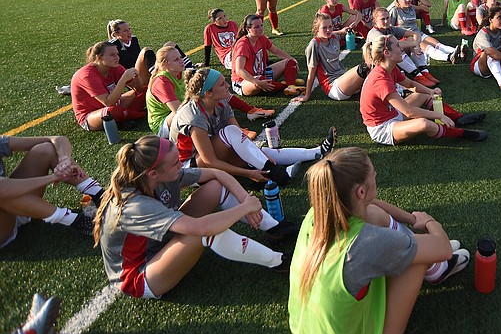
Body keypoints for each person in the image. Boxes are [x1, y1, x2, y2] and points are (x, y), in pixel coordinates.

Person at [289, 147, 471, 334]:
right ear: (360, 191)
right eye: (373, 172)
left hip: (307, 330)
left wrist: (413, 219)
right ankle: (436, 270)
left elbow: (372, 204)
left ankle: (433, 268)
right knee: (418, 259)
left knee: (375, 215)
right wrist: (429, 221)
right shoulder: (366, 243)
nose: (376, 174)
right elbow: (444, 248)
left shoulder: (319, 212)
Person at [94, 136, 295, 300]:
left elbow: (217, 174)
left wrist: (245, 198)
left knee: (215, 187)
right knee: (201, 233)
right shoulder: (134, 205)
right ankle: (279, 261)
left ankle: (275, 228)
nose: (181, 166)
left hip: (161, 242)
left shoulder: (158, 176)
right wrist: (244, 208)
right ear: (153, 173)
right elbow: (201, 228)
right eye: (175, 164)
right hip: (139, 276)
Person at [169, 67, 336, 184]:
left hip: (208, 157)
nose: (227, 85)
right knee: (233, 135)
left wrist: (260, 158)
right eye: (222, 84)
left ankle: (317, 152)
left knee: (257, 152)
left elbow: (240, 137)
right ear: (208, 93)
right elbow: (210, 161)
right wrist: (249, 172)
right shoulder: (193, 115)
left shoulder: (220, 102)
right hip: (187, 169)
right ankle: (274, 172)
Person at [360, 35, 487, 145]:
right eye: (398, 46)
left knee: (423, 95)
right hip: (383, 128)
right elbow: (409, 112)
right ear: (387, 53)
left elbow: (409, 83)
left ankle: (458, 118)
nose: (402, 48)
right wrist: (439, 115)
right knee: (424, 124)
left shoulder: (390, 67)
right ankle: (462, 133)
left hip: (392, 113)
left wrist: (430, 92)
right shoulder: (380, 80)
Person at [1, 135, 102, 248]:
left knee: (45, 149)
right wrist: (53, 177)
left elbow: (58, 139)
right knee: (4, 191)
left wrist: (65, 163)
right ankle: (80, 222)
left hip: (14, 204)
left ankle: (100, 195)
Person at [294, 13, 370, 103]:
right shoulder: (314, 45)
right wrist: (307, 95)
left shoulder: (333, 37)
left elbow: (336, 33)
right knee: (363, 69)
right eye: (324, 28)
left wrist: (343, 31)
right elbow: (311, 72)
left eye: (330, 27)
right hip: (333, 87)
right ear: (316, 29)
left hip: (344, 79)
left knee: (373, 70)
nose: (328, 30)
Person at [70, 41, 147, 131]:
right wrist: (123, 80)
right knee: (111, 112)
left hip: (116, 103)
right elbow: (108, 103)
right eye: (112, 55)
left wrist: (136, 76)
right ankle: (141, 114)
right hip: (91, 115)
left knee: (148, 90)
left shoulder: (115, 67)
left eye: (117, 54)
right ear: (99, 57)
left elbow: (139, 89)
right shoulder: (87, 75)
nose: (117, 57)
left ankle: (125, 116)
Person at [389, 0, 470, 70]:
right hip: (408, 38)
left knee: (439, 45)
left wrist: (418, 1)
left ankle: (460, 53)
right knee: (429, 48)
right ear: (398, 1)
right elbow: (391, 27)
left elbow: (427, 9)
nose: (408, 0)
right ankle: (449, 57)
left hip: (419, 34)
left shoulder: (411, 8)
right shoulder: (395, 10)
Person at [231, 14, 303, 97]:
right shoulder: (243, 44)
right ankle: (286, 85)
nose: (261, 28)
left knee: (289, 61)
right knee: (258, 83)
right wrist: (257, 82)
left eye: (261, 25)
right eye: (257, 27)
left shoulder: (261, 37)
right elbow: (239, 70)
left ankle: (291, 86)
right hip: (244, 81)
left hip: (262, 73)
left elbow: (276, 51)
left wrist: (293, 59)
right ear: (248, 29)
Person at [369, 7, 438, 88]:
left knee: (410, 39)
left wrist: (415, 44)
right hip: (378, 64)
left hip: (388, 60)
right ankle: (417, 75)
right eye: (382, 19)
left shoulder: (390, 29)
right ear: (375, 21)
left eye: (387, 18)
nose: (386, 21)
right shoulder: (374, 33)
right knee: (395, 50)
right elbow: (395, 44)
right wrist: (414, 44)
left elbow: (416, 34)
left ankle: (424, 70)